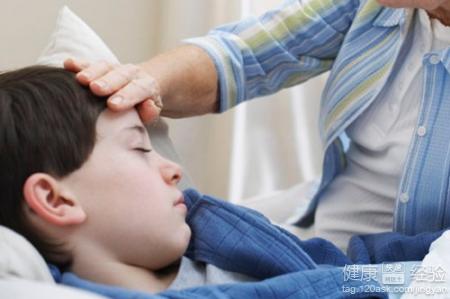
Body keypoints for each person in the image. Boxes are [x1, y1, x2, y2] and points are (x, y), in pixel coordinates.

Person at [1, 65, 445, 298]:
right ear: (55, 200)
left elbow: (345, 268)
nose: (171, 168)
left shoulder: (218, 237)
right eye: (139, 149)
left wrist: (433, 256)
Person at [65, 0, 450, 250]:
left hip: (410, 271)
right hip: (324, 235)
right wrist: (145, 79)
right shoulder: (374, 7)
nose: (174, 171)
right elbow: (244, 53)